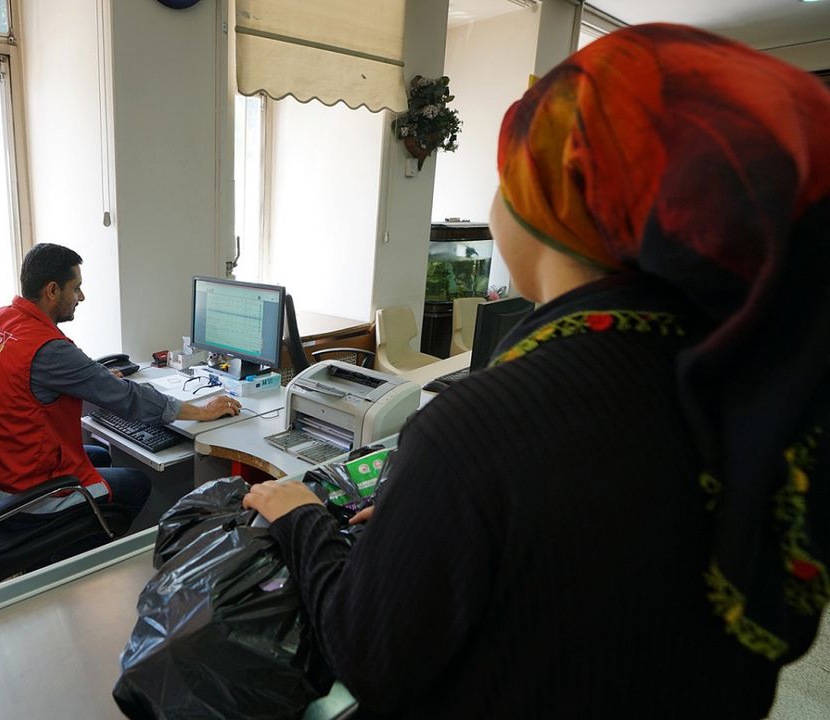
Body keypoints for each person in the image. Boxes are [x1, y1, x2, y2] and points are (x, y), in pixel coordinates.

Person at [244, 24, 830, 718]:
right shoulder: (760, 386)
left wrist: (304, 519)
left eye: (507, 176)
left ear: (559, 196)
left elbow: (371, 657)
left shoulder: (475, 432)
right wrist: (427, 529)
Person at [0, 243, 241, 535]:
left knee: (98, 455)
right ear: (52, 290)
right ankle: (81, 558)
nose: (81, 297)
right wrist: (201, 411)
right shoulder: (48, 349)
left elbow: (23, 384)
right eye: (76, 288)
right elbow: (127, 397)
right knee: (137, 483)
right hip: (19, 491)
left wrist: (93, 377)